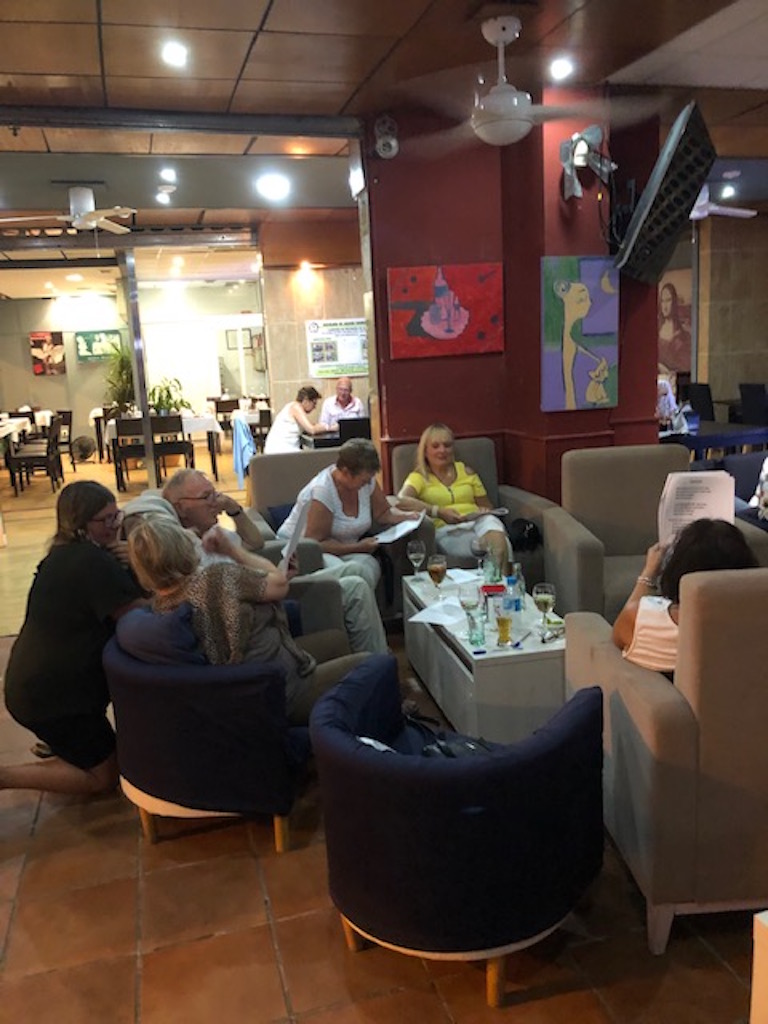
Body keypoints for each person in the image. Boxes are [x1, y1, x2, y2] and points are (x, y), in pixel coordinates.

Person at [127, 517, 368, 726]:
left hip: (244, 690)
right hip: (282, 689)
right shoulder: (217, 578)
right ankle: (346, 734)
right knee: (371, 665)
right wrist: (232, 550)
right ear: (181, 550)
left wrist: (276, 577)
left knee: (335, 640)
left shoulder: (160, 607)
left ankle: (341, 724)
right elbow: (279, 584)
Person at [1, 481, 144, 795]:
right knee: (104, 778)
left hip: (33, 687)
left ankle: (61, 747)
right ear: (81, 525)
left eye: (116, 515)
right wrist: (139, 563)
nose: (114, 525)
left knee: (101, 756)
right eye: (105, 520)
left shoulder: (61, 555)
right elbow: (138, 616)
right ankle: (5, 777)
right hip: (55, 699)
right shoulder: (93, 562)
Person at [163, 468, 389, 655]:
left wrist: (234, 509)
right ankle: (376, 661)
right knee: (356, 587)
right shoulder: (184, 551)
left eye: (216, 494)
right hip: (268, 602)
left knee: (357, 569)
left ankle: (370, 651)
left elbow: (255, 541)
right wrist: (277, 576)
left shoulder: (215, 534)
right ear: (181, 507)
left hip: (269, 586)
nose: (216, 502)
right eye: (207, 497)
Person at [612, 518, 758, 674]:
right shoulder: (753, 632)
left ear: (677, 567)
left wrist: (649, 572)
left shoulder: (640, 621)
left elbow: (621, 630)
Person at [278, 438, 420, 590]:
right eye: (363, 481)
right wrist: (357, 547)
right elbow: (316, 544)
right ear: (345, 472)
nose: (367, 484)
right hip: (303, 553)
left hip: (344, 550)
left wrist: (406, 516)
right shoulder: (323, 491)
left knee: (369, 566)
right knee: (356, 572)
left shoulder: (367, 482)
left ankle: (357, 603)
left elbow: (383, 513)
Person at [396, 423, 511, 575]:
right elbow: (402, 500)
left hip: (477, 522)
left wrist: (484, 511)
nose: (442, 450)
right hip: (447, 530)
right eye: (435, 446)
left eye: (447, 445)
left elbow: (488, 506)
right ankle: (503, 579)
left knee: (492, 525)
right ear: (425, 451)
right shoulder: (419, 477)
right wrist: (439, 512)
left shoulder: (467, 472)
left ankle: (499, 578)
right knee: (498, 545)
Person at [263, 386, 331, 453]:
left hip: (283, 449)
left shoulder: (292, 407)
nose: (314, 407)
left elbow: (309, 425)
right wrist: (329, 427)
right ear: (306, 400)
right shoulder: (295, 407)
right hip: (280, 450)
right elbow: (311, 429)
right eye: (314, 403)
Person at [658, 281, 692, 374]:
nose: (665, 306)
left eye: (668, 300)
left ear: (674, 302)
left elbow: (684, 367)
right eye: (662, 301)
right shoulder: (656, 331)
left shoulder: (683, 336)